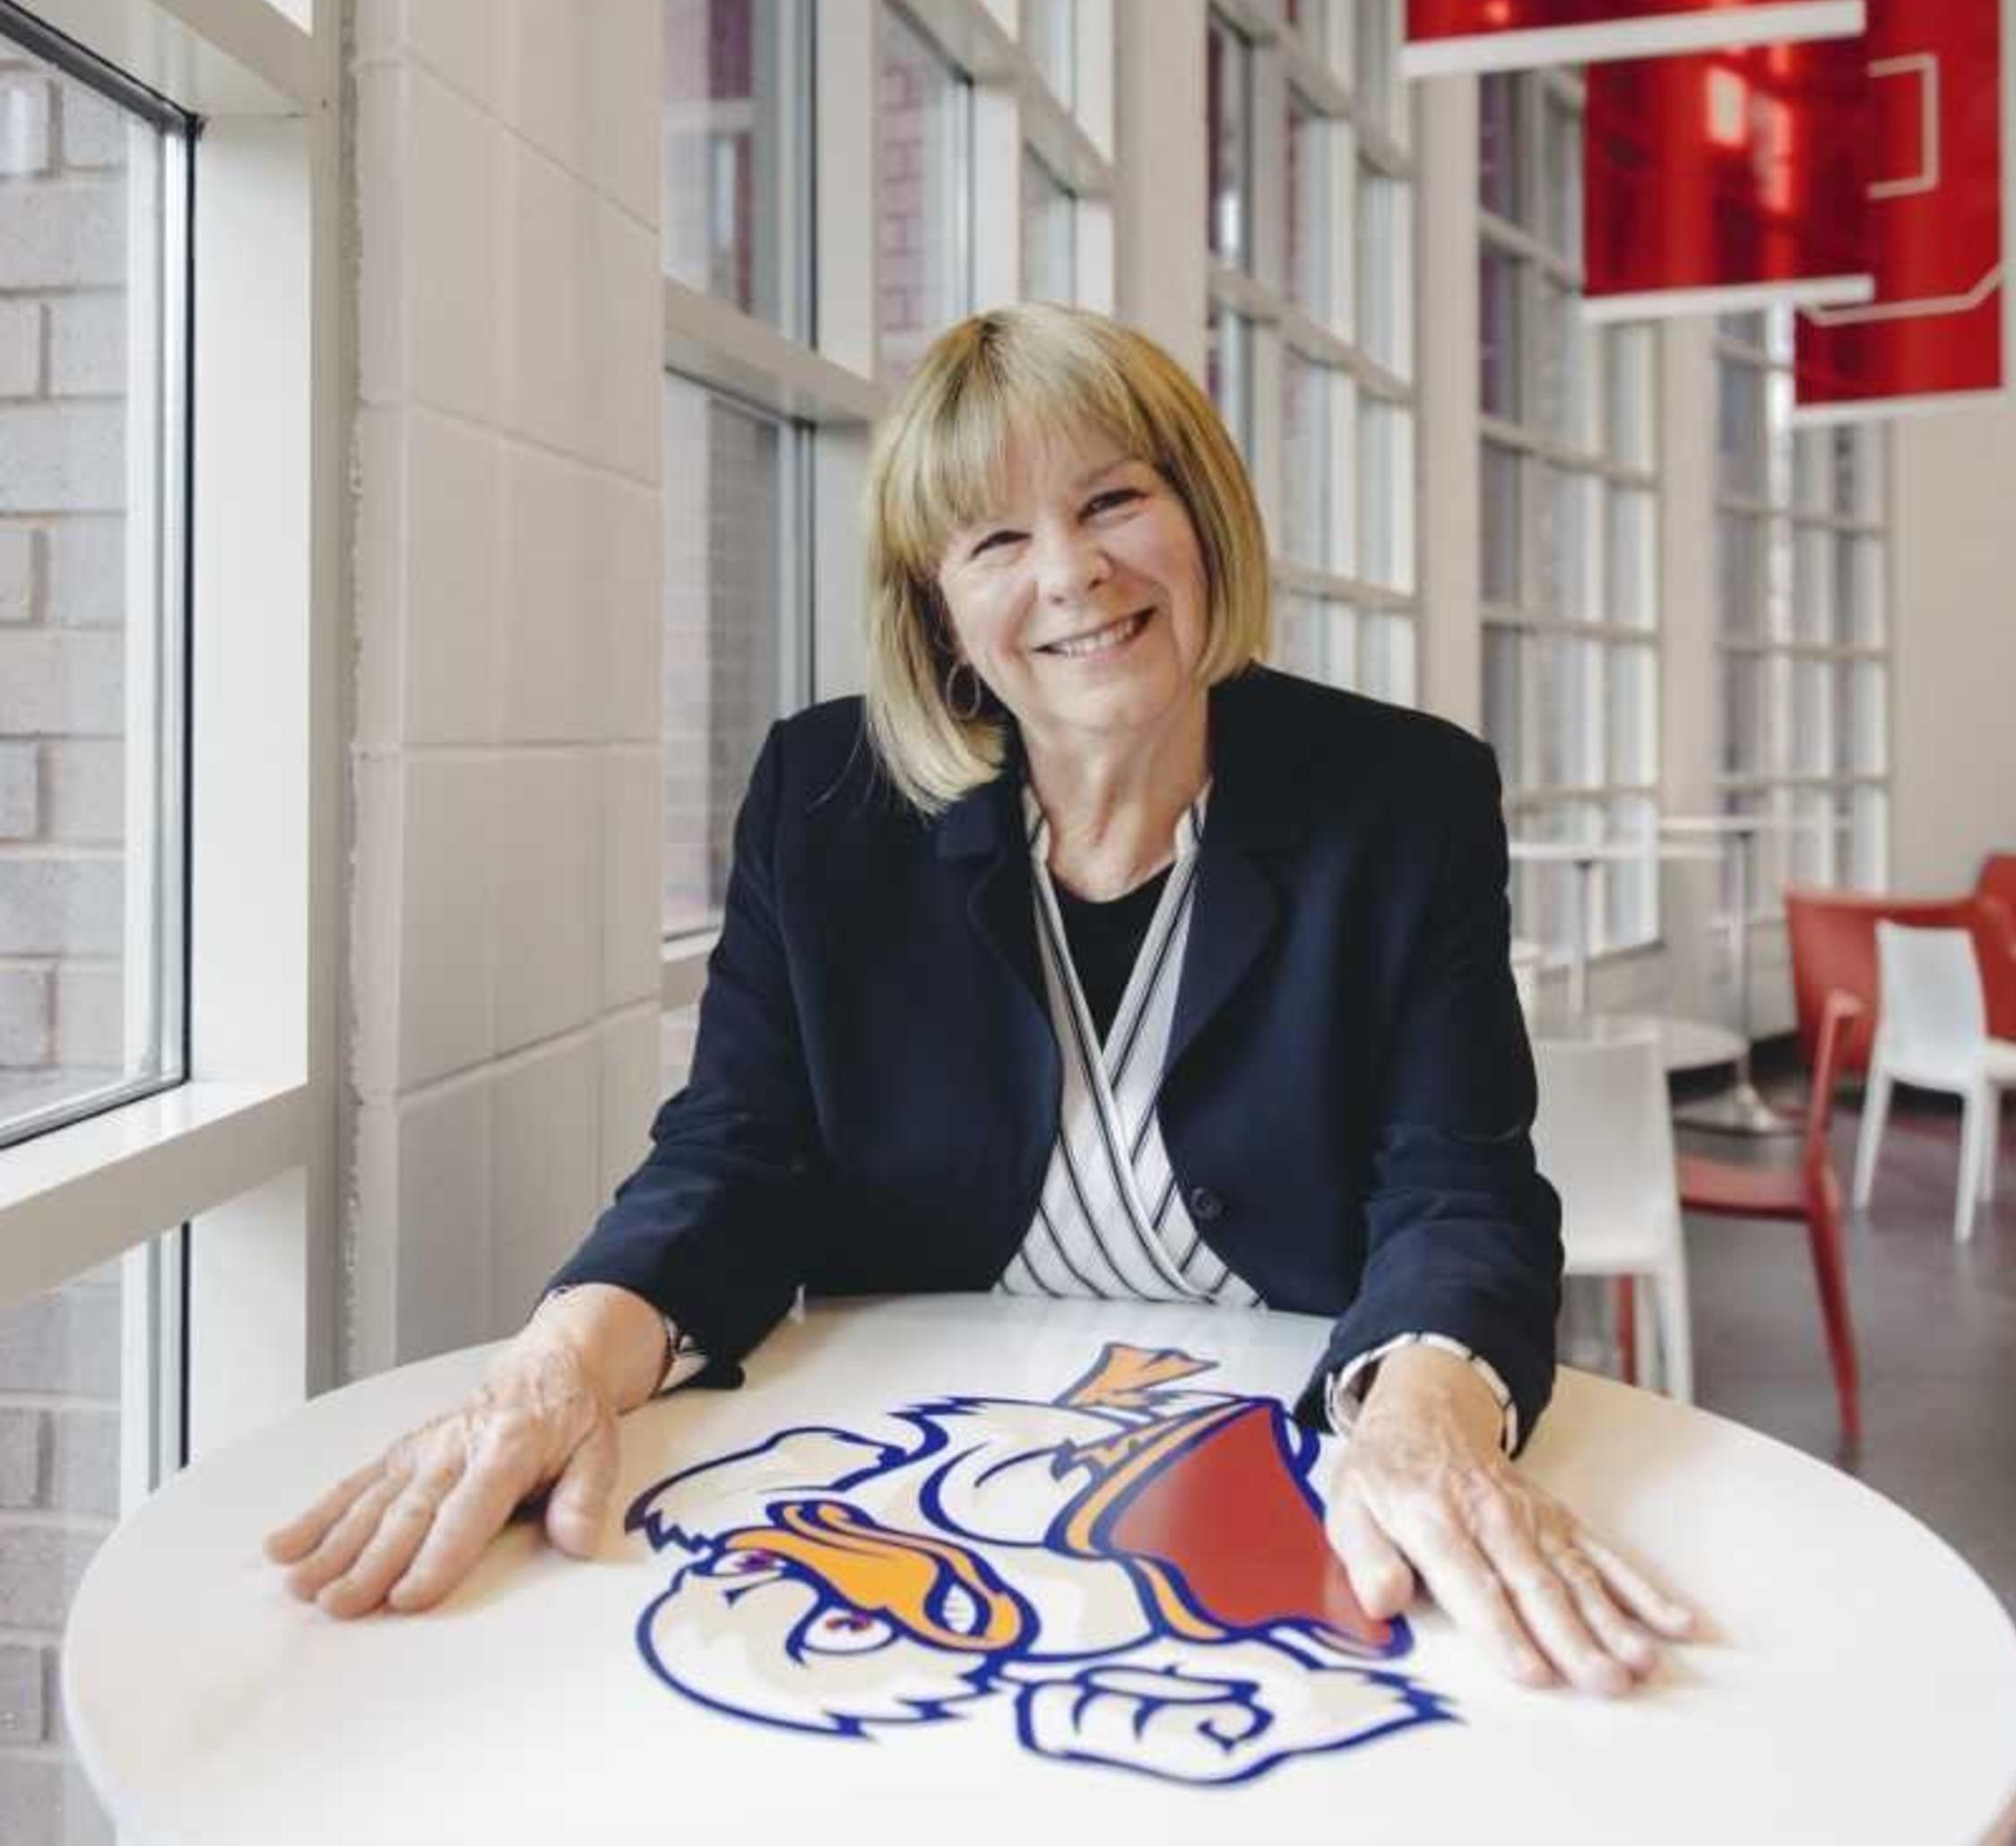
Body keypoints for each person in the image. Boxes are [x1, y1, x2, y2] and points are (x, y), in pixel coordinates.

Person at [268, 304, 1692, 1695]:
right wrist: (560, 1364)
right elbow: (735, 1152)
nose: (1072, 574)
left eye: (1114, 501)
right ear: (939, 610)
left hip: (1292, 1492)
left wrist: (1424, 1422)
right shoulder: (826, 801)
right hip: (923, 1490)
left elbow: (1460, 1185)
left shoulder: (1404, 797)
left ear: (1203, 519)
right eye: (997, 540)